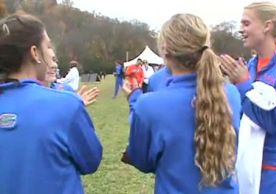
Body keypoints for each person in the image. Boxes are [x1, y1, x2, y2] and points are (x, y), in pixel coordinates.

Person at [123, 14, 241, 193]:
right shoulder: (230, 93)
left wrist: (133, 98)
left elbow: (142, 161)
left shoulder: (147, 105)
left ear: (165, 50)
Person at [0, 14, 102, 194]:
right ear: (35, 53)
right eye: (47, 46)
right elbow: (91, 161)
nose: (51, 53)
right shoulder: (66, 104)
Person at [221, 2, 276, 194]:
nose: (241, 29)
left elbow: (273, 122)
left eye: (246, 23)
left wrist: (243, 84)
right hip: (250, 162)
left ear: (267, 26)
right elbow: (244, 113)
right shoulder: (251, 65)